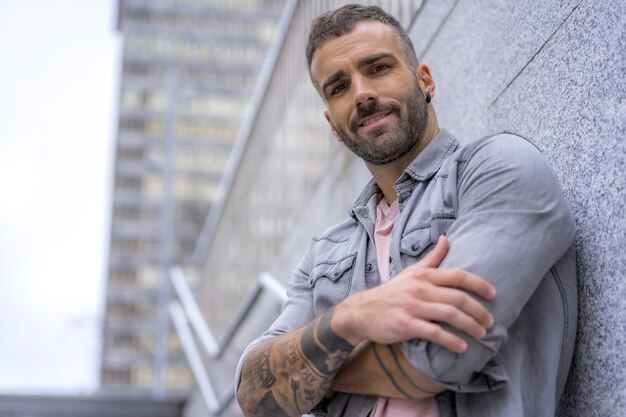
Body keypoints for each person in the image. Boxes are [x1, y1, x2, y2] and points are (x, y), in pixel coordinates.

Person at [235, 4, 576, 417]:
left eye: (377, 67)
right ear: (332, 124)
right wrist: (349, 318)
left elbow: (441, 352)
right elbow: (253, 393)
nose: (361, 94)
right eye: (338, 88)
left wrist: (314, 374)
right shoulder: (323, 255)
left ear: (424, 80)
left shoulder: (497, 170)